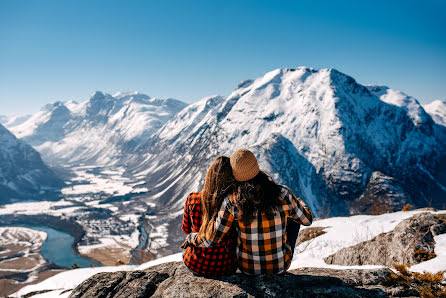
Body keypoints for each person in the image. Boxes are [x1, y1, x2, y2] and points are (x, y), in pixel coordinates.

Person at [186, 149, 313, 275]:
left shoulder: (231, 201)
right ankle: (279, 255)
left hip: (247, 269)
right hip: (279, 267)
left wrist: (191, 238)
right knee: (293, 218)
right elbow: (307, 220)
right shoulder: (284, 194)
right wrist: (300, 202)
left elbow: (210, 240)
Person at [180, 156, 238, 277]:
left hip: (195, 263)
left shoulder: (193, 199)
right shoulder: (233, 204)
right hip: (225, 265)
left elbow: (186, 229)